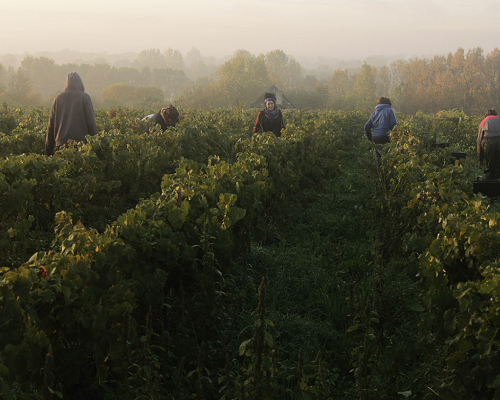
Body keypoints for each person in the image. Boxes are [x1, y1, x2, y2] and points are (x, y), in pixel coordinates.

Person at [46, 72, 97, 156]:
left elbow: (50, 128)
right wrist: (95, 147)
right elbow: (91, 124)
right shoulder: (85, 98)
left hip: (61, 145)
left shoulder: (57, 99)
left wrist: (48, 153)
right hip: (81, 145)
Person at [477, 109, 500, 180]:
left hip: (488, 142)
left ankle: (488, 184)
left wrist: (480, 159)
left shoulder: (484, 121)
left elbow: (479, 141)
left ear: (486, 115)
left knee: (490, 165)